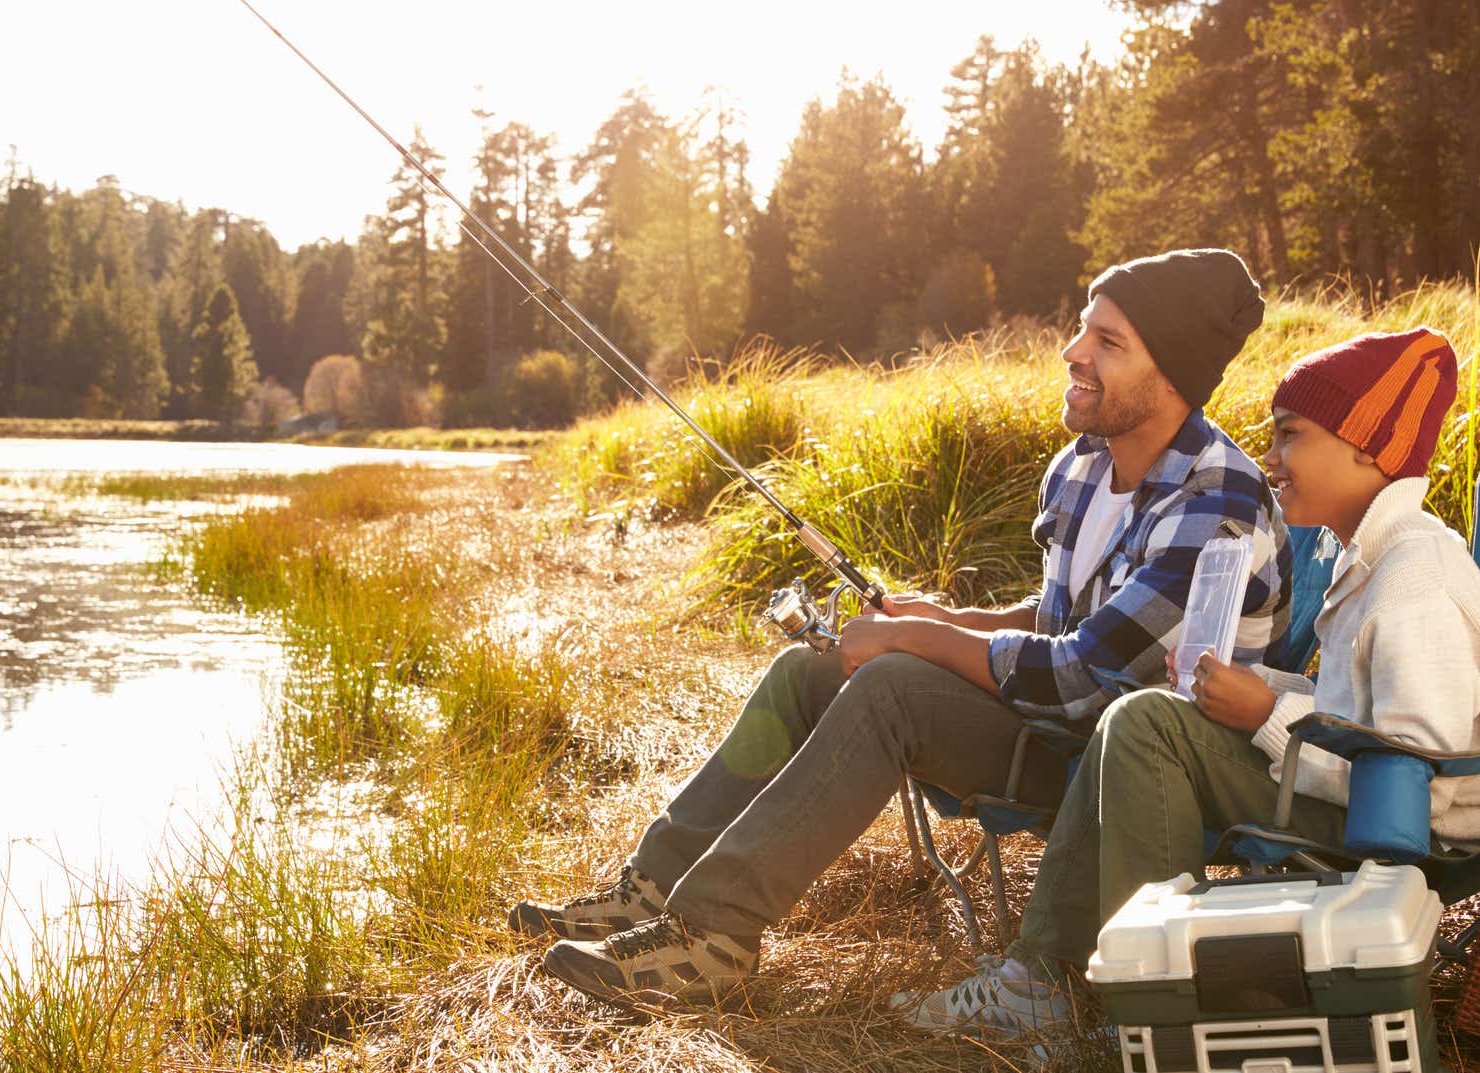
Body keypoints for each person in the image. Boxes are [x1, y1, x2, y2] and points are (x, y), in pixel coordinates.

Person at [507, 248, 1289, 1008]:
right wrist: (941, 617)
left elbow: (1083, 679)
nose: (1072, 351)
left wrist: (918, 642)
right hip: (1050, 726)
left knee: (892, 688)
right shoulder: (1084, 465)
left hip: (1111, 771)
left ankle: (707, 938)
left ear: (1172, 374)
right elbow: (1056, 621)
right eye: (1084, 327)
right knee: (808, 673)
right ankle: (649, 888)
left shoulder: (1216, 499)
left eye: (1107, 342)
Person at [895, 326, 1480, 1037]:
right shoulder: (1362, 554)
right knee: (1136, 715)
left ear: (1366, 446)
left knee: (1148, 727)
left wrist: (1264, 712)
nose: (1270, 457)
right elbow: (1351, 713)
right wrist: (1256, 685)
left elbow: (1421, 777)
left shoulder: (1413, 575)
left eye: (1291, 435)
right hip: (1350, 794)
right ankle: (1045, 974)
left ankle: (1144, 999)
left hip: (1403, 834)